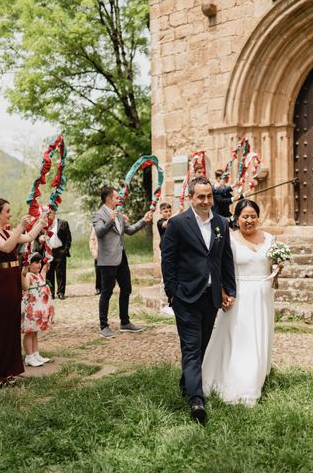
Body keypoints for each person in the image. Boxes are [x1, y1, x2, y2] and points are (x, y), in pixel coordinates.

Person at [161, 176, 236, 424]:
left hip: (211, 297)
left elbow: (224, 260)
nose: (205, 201)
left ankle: (186, 383)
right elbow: (168, 261)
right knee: (191, 348)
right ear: (191, 198)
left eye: (209, 196)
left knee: (201, 346)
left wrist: (230, 290)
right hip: (186, 297)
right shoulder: (177, 224)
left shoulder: (221, 224)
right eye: (200, 197)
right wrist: (172, 293)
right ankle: (196, 401)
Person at [202, 199, 276, 406]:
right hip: (239, 296)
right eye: (245, 217)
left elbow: (272, 268)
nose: (249, 220)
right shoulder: (229, 239)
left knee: (260, 335)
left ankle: (260, 373)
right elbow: (217, 267)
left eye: (253, 216)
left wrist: (278, 267)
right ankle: (242, 383)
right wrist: (223, 291)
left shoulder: (270, 238)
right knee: (239, 338)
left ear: (258, 218)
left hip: (263, 297)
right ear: (236, 219)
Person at [0, 197, 46, 389]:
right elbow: (7, 247)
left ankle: (7, 371)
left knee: (10, 327)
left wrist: (41, 221)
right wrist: (20, 226)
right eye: (7, 211)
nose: (10, 214)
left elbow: (27, 238)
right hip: (1, 281)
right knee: (0, 327)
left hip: (12, 279)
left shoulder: (6, 231)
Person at [93, 186, 152, 338]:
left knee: (126, 288)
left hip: (121, 258)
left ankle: (125, 322)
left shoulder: (118, 214)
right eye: (116, 197)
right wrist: (110, 221)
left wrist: (143, 221)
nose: (119, 199)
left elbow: (130, 230)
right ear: (108, 199)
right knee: (106, 292)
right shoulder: (98, 215)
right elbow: (99, 232)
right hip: (107, 261)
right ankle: (104, 326)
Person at [21, 252, 55, 367]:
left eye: (39, 262)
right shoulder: (29, 275)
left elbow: (42, 280)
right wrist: (23, 274)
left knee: (35, 332)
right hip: (31, 309)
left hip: (38, 309)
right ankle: (29, 356)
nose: (39, 265)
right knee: (29, 332)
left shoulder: (38, 275)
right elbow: (25, 287)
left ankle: (35, 353)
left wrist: (45, 268)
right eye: (36, 262)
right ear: (28, 265)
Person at [44, 210, 72, 300]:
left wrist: (65, 250)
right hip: (48, 251)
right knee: (49, 273)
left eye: (50, 213)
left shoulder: (63, 223)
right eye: (47, 213)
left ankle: (60, 292)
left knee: (61, 272)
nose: (49, 215)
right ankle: (51, 293)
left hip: (60, 251)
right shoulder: (44, 224)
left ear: (54, 213)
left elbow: (68, 237)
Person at [89, 227, 101, 295]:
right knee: (98, 271)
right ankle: (98, 288)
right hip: (98, 253)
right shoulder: (95, 227)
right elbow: (91, 239)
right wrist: (93, 251)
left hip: (108, 253)